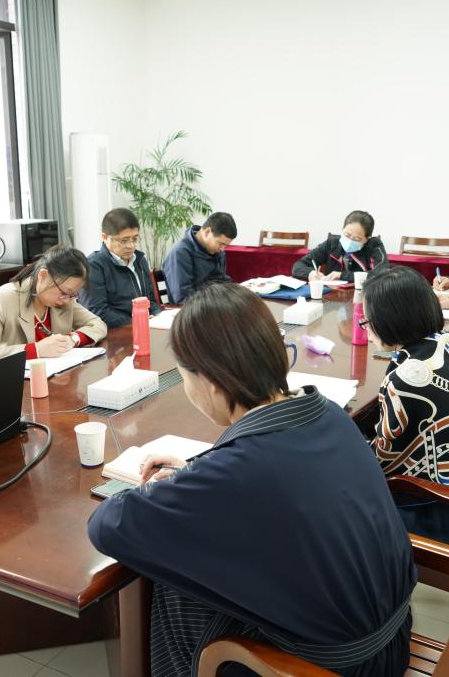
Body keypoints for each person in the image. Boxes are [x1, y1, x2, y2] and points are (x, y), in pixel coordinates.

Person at [88, 282, 416, 676]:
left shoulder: (238, 471)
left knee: (176, 588)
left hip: (329, 668)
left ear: (210, 382)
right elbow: (276, 486)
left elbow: (108, 525)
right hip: (392, 637)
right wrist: (198, 474)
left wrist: (194, 483)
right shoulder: (327, 412)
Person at [362, 266, 449, 554]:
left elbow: (381, 465)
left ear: (390, 321)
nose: (367, 328)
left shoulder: (405, 377)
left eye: (368, 321)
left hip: (445, 516)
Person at [0, 245, 107, 367]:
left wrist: (72, 339)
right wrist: (36, 350)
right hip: (14, 382)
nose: (67, 300)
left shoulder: (64, 300)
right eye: (65, 292)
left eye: (73, 294)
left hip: (56, 378)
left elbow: (98, 324)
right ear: (43, 275)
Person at [79, 208, 163, 327]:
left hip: (145, 327)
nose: (131, 246)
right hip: (116, 332)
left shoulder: (139, 260)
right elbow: (97, 312)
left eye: (135, 239)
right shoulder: (93, 266)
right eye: (124, 240)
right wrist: (137, 321)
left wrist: (160, 317)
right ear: (105, 237)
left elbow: (150, 301)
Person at [160, 212, 236, 303]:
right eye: (221, 244)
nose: (222, 249)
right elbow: (183, 298)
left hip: (213, 305)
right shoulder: (180, 253)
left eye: (225, 245)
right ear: (207, 232)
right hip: (190, 309)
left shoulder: (217, 252)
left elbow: (222, 282)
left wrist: (236, 291)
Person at [292, 210, 389, 282]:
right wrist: (310, 273)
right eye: (347, 235)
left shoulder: (374, 245)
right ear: (342, 229)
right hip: (331, 297)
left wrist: (342, 275)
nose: (350, 241)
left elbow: (381, 275)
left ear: (367, 239)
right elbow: (298, 265)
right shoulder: (332, 243)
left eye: (356, 239)